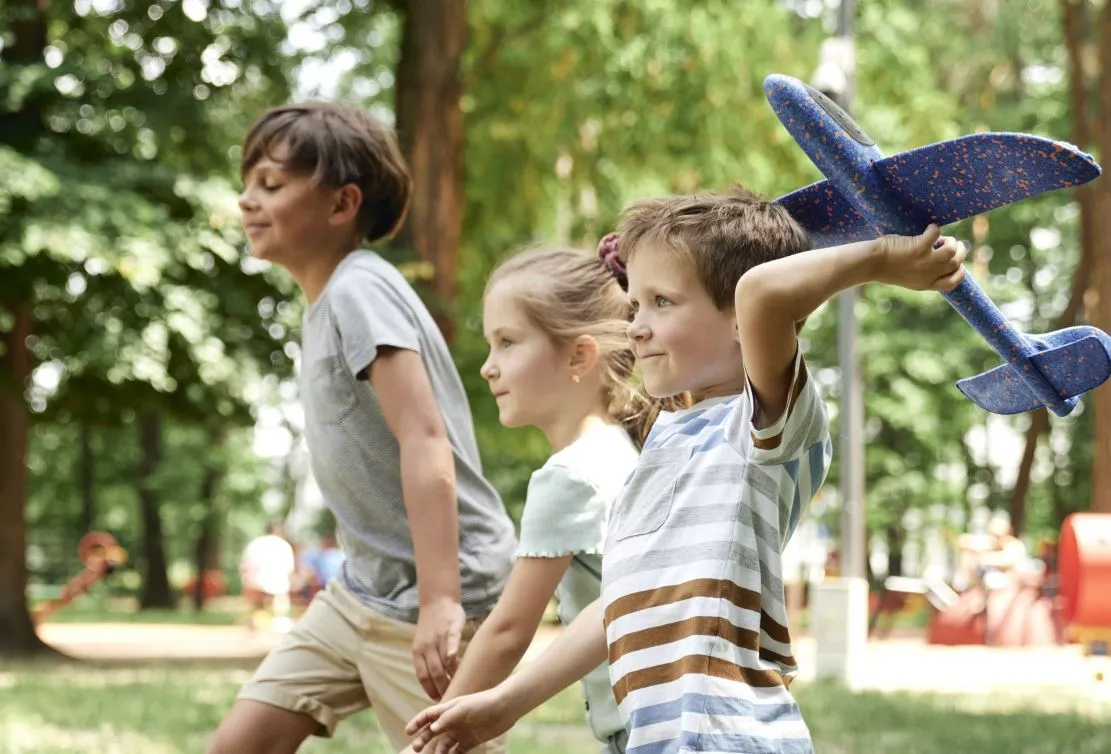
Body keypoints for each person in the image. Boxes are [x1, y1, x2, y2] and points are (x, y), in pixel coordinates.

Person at [405, 188, 967, 754]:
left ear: (740, 324)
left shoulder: (762, 427)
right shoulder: (664, 441)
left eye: (662, 303)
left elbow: (763, 291)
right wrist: (504, 704)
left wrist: (881, 259)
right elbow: (621, 602)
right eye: (635, 306)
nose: (635, 328)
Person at [207, 101, 517, 754]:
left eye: (270, 184)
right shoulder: (328, 302)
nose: (246, 201)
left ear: (341, 203)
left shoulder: (358, 290)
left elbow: (424, 437)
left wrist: (439, 602)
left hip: (428, 597)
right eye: (247, 185)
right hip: (359, 592)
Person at [407, 245, 661, 754]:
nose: (487, 367)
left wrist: (434, 738)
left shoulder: (569, 476)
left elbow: (507, 630)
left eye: (507, 343)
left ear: (579, 356)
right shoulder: (623, 450)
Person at [240, 521, 297, 632]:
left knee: (256, 603)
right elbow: (289, 568)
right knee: (281, 598)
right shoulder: (283, 545)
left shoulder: (255, 543)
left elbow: (246, 565)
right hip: (276, 583)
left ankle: (253, 622)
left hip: (255, 582)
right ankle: (279, 619)